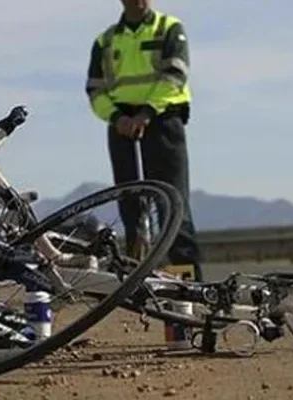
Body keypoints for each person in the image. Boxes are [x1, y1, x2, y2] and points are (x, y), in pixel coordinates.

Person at [84, 0, 203, 281]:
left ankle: (189, 285)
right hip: (121, 123)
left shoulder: (169, 28)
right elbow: (94, 89)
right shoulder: (106, 40)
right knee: (130, 204)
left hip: (162, 118)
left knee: (173, 204)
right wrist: (117, 118)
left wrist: (146, 113)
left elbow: (175, 75)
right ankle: (136, 280)